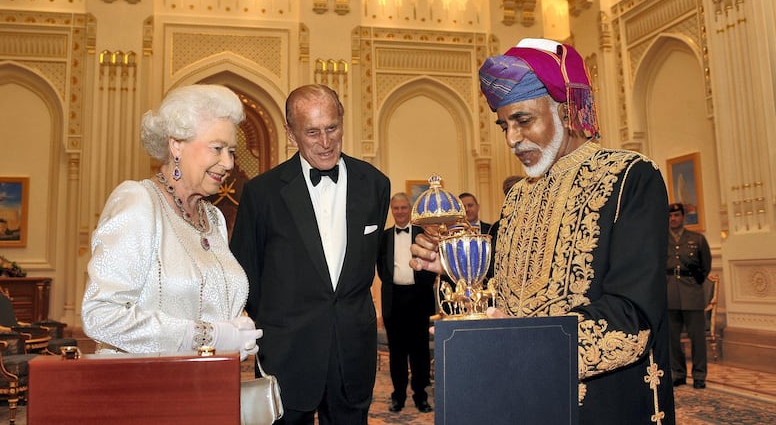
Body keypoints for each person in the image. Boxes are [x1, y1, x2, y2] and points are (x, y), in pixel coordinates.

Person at [410, 38, 675, 424]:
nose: (511, 139)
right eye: (504, 125)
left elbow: (632, 317)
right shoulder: (518, 197)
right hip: (524, 396)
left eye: (523, 120)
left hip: (604, 403)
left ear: (566, 110)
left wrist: (520, 343)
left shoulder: (631, 178)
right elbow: (506, 292)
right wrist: (455, 267)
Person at [230, 84, 390, 424]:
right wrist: (282, 324)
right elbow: (246, 276)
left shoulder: (375, 185)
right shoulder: (262, 194)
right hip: (287, 354)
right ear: (291, 134)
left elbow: (366, 266)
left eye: (332, 128)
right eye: (312, 132)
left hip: (353, 354)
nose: (326, 142)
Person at [82, 84, 262, 358]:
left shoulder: (213, 218)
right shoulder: (139, 201)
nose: (228, 164)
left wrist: (237, 332)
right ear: (176, 144)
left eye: (232, 151)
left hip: (210, 387)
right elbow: (100, 314)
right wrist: (207, 336)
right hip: (150, 389)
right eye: (217, 148)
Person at [376, 192, 436, 414]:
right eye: (396, 208)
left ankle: (421, 396)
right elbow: (382, 269)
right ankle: (398, 396)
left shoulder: (423, 235)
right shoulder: (383, 237)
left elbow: (431, 264)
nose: (400, 211)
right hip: (394, 301)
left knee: (419, 352)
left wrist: (419, 284)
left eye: (403, 207)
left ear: (409, 209)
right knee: (397, 353)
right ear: (392, 210)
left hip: (418, 299)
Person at [666, 202, 712, 389]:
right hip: (669, 293)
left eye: (676, 215)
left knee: (698, 339)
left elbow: (706, 265)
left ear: (683, 217)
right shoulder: (661, 240)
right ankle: (678, 373)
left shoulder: (697, 239)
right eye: (670, 216)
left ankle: (699, 375)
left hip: (692, 293)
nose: (673, 219)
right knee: (672, 339)